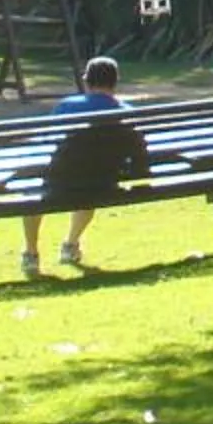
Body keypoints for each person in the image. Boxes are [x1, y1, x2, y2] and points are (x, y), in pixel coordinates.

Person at [23, 56, 128, 277]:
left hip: (63, 181)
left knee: (32, 192)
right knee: (88, 179)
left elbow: (46, 140)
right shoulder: (127, 111)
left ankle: (31, 253)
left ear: (86, 81)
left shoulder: (69, 106)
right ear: (115, 82)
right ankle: (70, 244)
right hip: (103, 184)